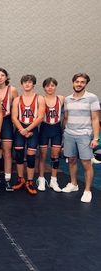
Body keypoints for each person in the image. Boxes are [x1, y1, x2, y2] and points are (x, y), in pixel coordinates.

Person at [62, 73, 100, 203]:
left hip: (84, 135)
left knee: (86, 163)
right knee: (71, 160)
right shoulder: (67, 99)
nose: (79, 84)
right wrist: (64, 133)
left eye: (82, 82)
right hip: (69, 134)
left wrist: (95, 138)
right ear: (73, 83)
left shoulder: (92, 98)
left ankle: (87, 190)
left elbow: (95, 119)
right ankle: (73, 184)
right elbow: (66, 117)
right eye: (77, 81)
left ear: (86, 84)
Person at [12, 74, 45, 195]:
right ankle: (21, 179)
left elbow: (40, 117)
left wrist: (28, 129)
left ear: (33, 84)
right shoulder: (17, 100)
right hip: (20, 129)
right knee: (19, 155)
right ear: (22, 84)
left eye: (30, 82)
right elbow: (14, 117)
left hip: (32, 129)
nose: (27, 84)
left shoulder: (39, 98)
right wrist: (22, 130)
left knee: (31, 157)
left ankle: (30, 181)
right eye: (25, 82)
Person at [0, 68, 18, 191]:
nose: (0, 77)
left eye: (3, 75)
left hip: (7, 121)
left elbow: (16, 107)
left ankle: (7, 179)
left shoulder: (12, 90)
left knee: (7, 151)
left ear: (6, 77)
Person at [37, 78, 64, 192]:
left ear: (55, 86)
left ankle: (54, 180)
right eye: (47, 86)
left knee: (55, 157)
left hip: (56, 129)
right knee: (43, 156)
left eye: (52, 85)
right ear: (44, 87)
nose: (50, 88)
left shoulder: (61, 99)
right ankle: (41, 179)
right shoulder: (40, 99)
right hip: (44, 128)